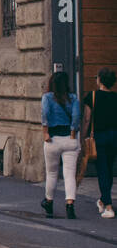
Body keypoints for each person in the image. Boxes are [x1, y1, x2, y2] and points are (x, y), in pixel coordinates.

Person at [41, 70, 82, 218]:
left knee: (51, 173)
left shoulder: (47, 97)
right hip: (69, 139)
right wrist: (72, 132)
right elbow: (77, 116)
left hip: (52, 138)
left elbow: (45, 113)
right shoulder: (73, 98)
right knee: (69, 174)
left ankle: (49, 202)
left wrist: (45, 132)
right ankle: (70, 204)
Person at [81, 67, 117, 219]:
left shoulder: (92, 96)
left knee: (102, 171)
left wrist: (82, 137)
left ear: (100, 80)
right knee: (108, 169)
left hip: (100, 137)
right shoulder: (116, 97)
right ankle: (103, 200)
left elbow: (87, 119)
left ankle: (108, 206)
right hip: (114, 136)